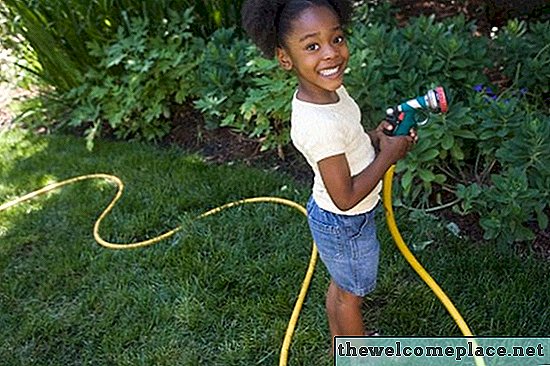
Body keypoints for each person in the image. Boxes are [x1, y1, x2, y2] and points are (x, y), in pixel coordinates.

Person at [241, 0, 417, 346]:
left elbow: (347, 142)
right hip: (345, 220)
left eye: (336, 39)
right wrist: (389, 155)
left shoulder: (328, 94)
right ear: (284, 58)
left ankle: (342, 343)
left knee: (341, 285)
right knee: (352, 293)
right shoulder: (320, 124)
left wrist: (375, 138)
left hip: (334, 219)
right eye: (312, 46)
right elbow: (347, 196)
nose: (330, 54)